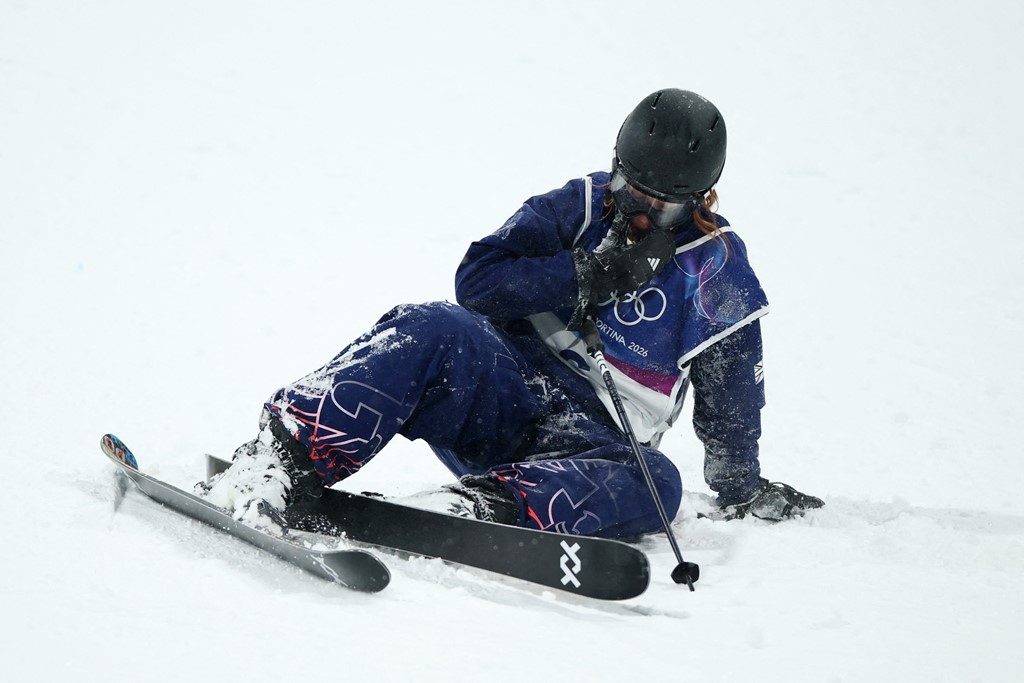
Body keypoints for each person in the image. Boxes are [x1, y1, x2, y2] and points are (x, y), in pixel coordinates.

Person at [199, 88, 823, 537]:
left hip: (593, 442)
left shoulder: (716, 271)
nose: (642, 213)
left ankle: (483, 509)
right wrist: (579, 275)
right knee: (431, 322)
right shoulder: (577, 207)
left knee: (659, 484)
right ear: (617, 170)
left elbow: (733, 392)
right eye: (634, 193)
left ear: (701, 198)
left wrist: (741, 484)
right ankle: (278, 463)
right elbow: (477, 283)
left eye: (664, 207)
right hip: (506, 388)